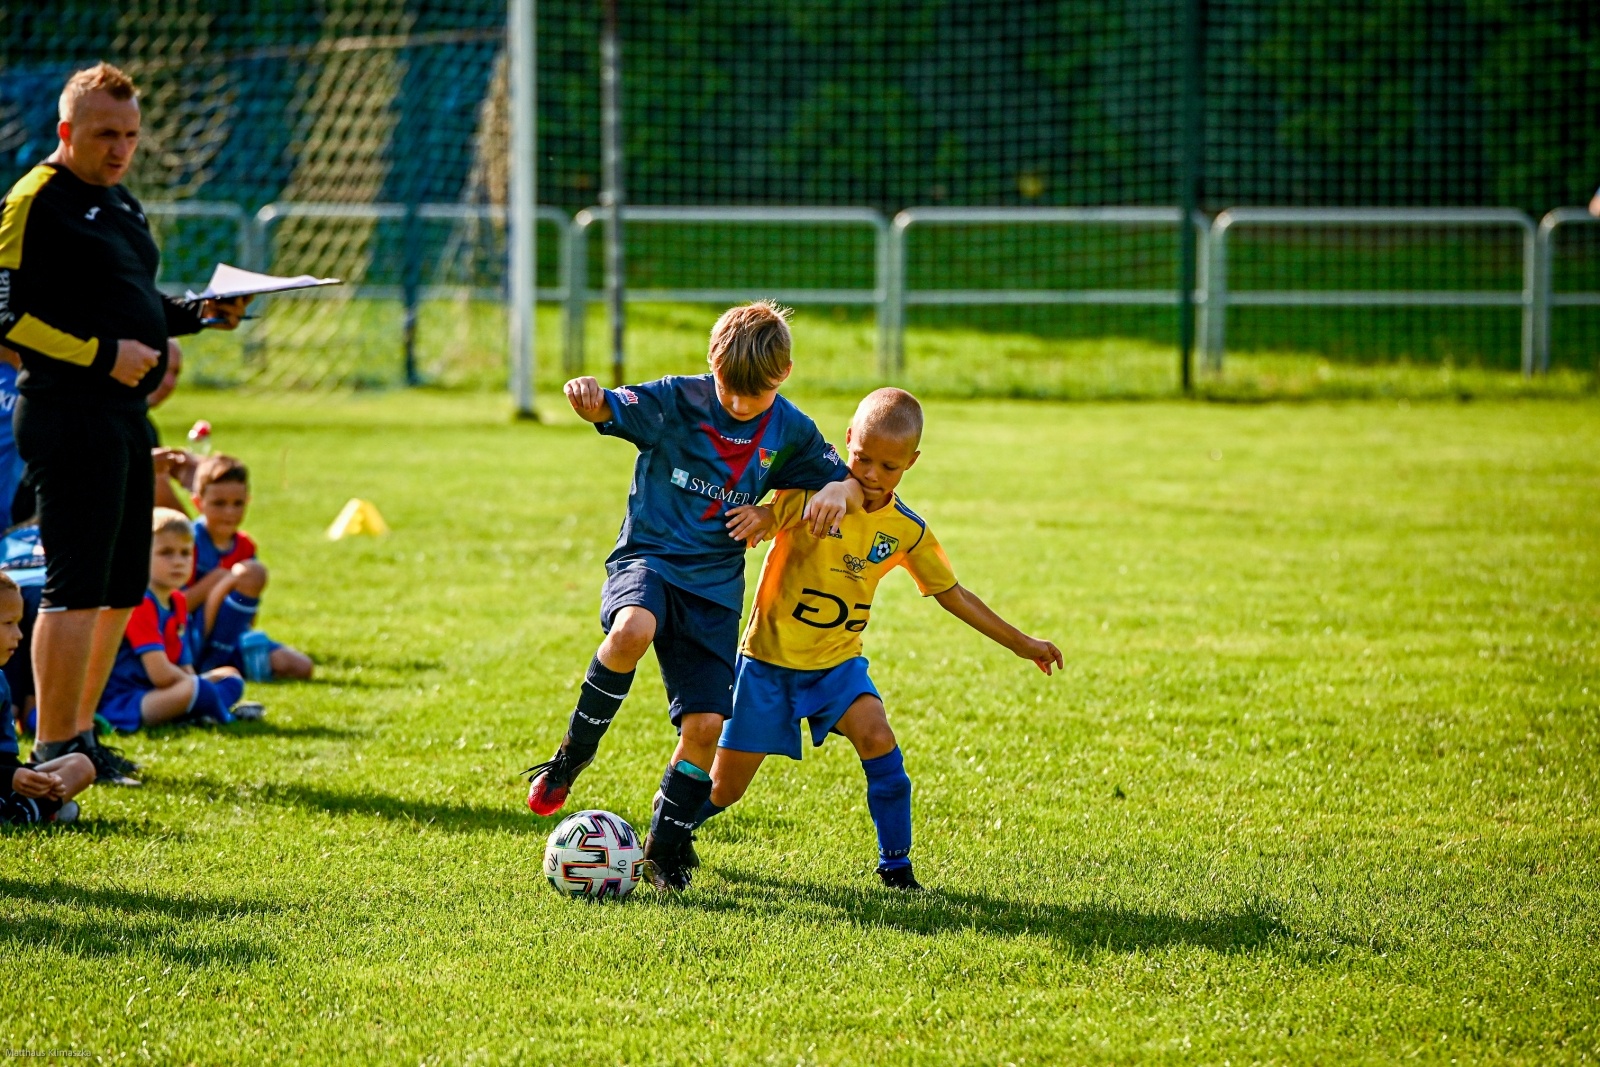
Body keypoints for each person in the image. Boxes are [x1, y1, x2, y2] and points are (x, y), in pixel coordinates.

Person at [523, 300, 860, 892]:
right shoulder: (678, 400)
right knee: (631, 629)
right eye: (730, 390)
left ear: (781, 379)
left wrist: (813, 499)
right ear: (713, 362)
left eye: (752, 397)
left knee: (705, 725)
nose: (737, 404)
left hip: (714, 591)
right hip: (650, 558)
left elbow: (845, 478)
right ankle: (570, 758)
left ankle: (666, 849)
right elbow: (615, 405)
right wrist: (589, 397)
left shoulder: (790, 430)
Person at [696, 388, 1063, 890]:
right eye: (862, 458)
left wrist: (1021, 643)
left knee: (877, 735)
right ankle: (668, 831)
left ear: (911, 463)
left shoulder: (905, 531)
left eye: (887, 467)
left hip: (837, 666)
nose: (870, 474)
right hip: (767, 663)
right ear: (847, 439)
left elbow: (952, 593)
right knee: (724, 789)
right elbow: (770, 513)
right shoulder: (811, 492)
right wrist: (760, 519)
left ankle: (897, 867)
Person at [0, 63, 248, 786]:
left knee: (119, 586)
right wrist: (103, 354)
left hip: (122, 416)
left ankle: (83, 734)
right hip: (66, 413)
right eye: (106, 134)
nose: (120, 150)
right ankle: (51, 746)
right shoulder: (33, 201)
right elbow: (5, 315)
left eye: (132, 136)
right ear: (65, 131)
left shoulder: (120, 202)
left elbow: (138, 302)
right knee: (76, 585)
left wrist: (203, 310)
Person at [96, 508, 259, 733]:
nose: (178, 562)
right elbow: (160, 674)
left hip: (166, 690)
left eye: (185, 553)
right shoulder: (140, 602)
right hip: (128, 700)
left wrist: (197, 685)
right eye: (166, 552)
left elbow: (184, 664)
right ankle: (221, 715)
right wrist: (196, 688)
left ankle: (198, 709)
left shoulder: (178, 600)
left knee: (230, 676)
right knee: (193, 691)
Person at [183, 454, 313, 681]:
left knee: (300, 667)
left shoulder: (245, 546)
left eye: (238, 504)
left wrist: (232, 589)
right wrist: (218, 581)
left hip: (232, 635)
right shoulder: (188, 541)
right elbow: (177, 605)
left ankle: (230, 663)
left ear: (248, 501)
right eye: (219, 503)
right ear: (198, 503)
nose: (230, 512)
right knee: (247, 573)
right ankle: (209, 666)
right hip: (188, 637)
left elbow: (249, 614)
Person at [0, 571, 93, 825]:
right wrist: (10, 777)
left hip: (6, 780)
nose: (19, 634)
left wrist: (34, 781)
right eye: (8, 624)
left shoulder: (1, 680)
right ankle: (31, 812)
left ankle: (24, 809)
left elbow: (5, 755)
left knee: (81, 764)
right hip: (5, 779)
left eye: (19, 623)